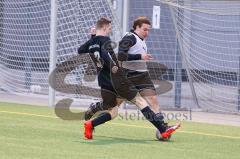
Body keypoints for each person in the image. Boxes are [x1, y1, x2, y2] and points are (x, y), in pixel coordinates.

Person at [78, 17, 180, 140]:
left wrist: (92, 38)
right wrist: (116, 69)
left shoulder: (92, 42)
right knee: (140, 102)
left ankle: (90, 124)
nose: (110, 30)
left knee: (114, 112)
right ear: (104, 27)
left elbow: (80, 50)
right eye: (109, 28)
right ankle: (163, 130)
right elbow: (110, 57)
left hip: (103, 80)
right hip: (115, 78)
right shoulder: (108, 40)